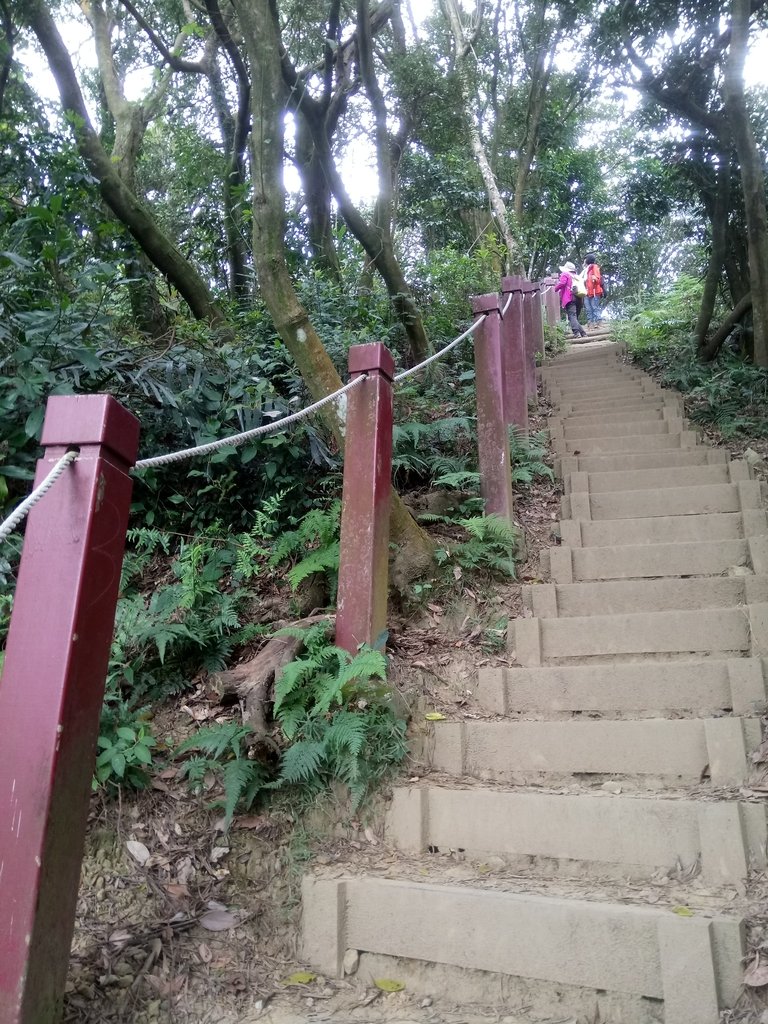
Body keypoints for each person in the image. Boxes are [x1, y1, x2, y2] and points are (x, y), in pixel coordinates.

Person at [554, 261, 586, 338]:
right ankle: (583, 333)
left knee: (572, 315)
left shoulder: (565, 274)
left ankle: (576, 333)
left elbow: (562, 283)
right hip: (579, 298)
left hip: (570, 298)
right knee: (574, 316)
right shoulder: (577, 276)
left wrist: (555, 288)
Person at [583, 252, 603, 329]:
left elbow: (598, 279)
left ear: (588, 260)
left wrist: (595, 278)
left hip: (595, 291)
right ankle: (590, 323)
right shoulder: (586, 269)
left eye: (585, 259)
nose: (584, 261)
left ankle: (598, 322)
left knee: (594, 307)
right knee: (588, 308)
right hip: (587, 292)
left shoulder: (594, 267)